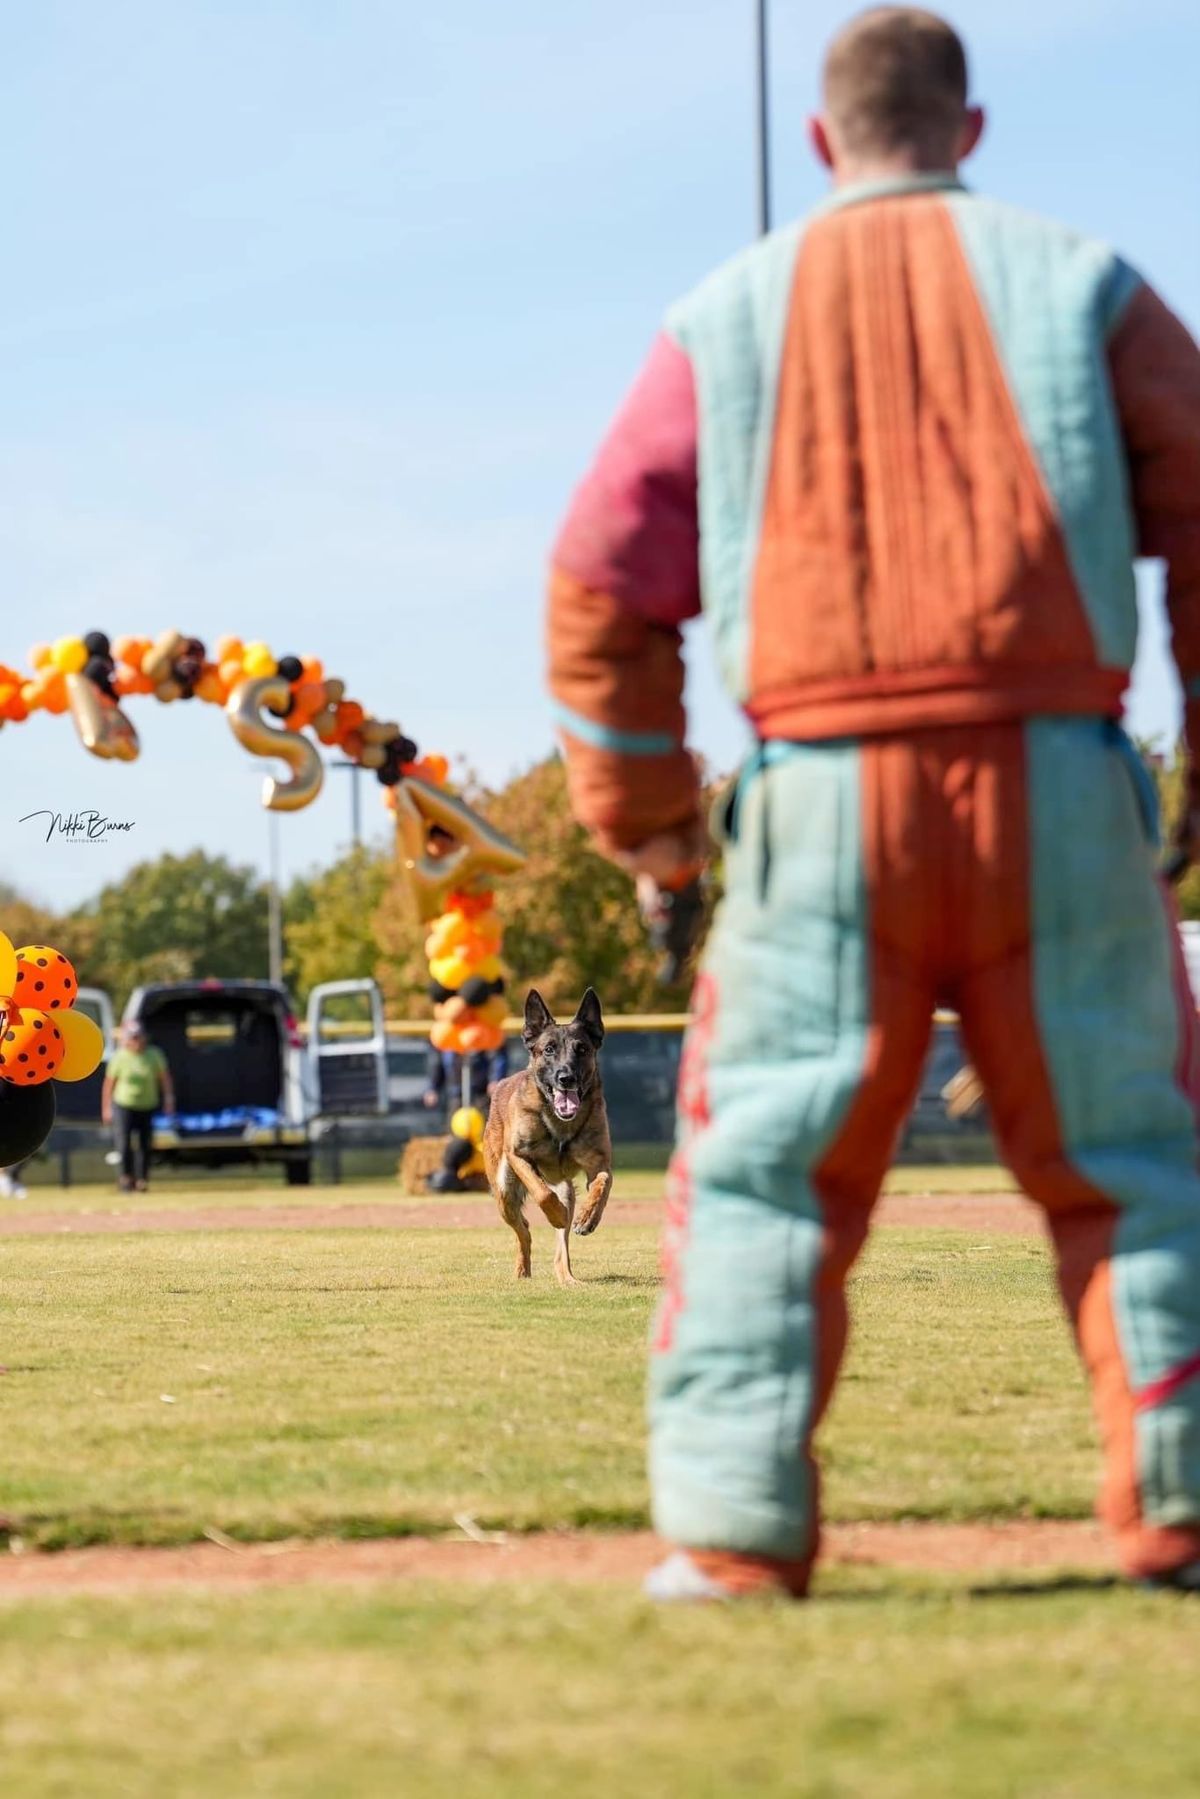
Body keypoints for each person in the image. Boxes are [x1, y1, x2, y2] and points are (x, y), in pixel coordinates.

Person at [546, 6, 1200, 1599]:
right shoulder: (1091, 284)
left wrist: (647, 815)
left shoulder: (722, 315)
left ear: (826, 144)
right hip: (1058, 773)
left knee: (765, 1169)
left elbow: (598, 579)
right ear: (969, 135)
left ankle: (731, 1541)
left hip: (818, 796)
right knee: (1137, 1160)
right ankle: (1179, 1510)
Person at [101, 1020, 176, 1194]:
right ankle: (125, 1178)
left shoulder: (154, 1054)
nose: (136, 1041)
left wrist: (169, 1099)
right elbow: (109, 1084)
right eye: (133, 1038)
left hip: (147, 1104)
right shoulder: (120, 1057)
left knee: (145, 1144)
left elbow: (164, 1079)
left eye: (138, 1037)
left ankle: (142, 1180)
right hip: (123, 1105)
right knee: (123, 1144)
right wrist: (106, 1108)